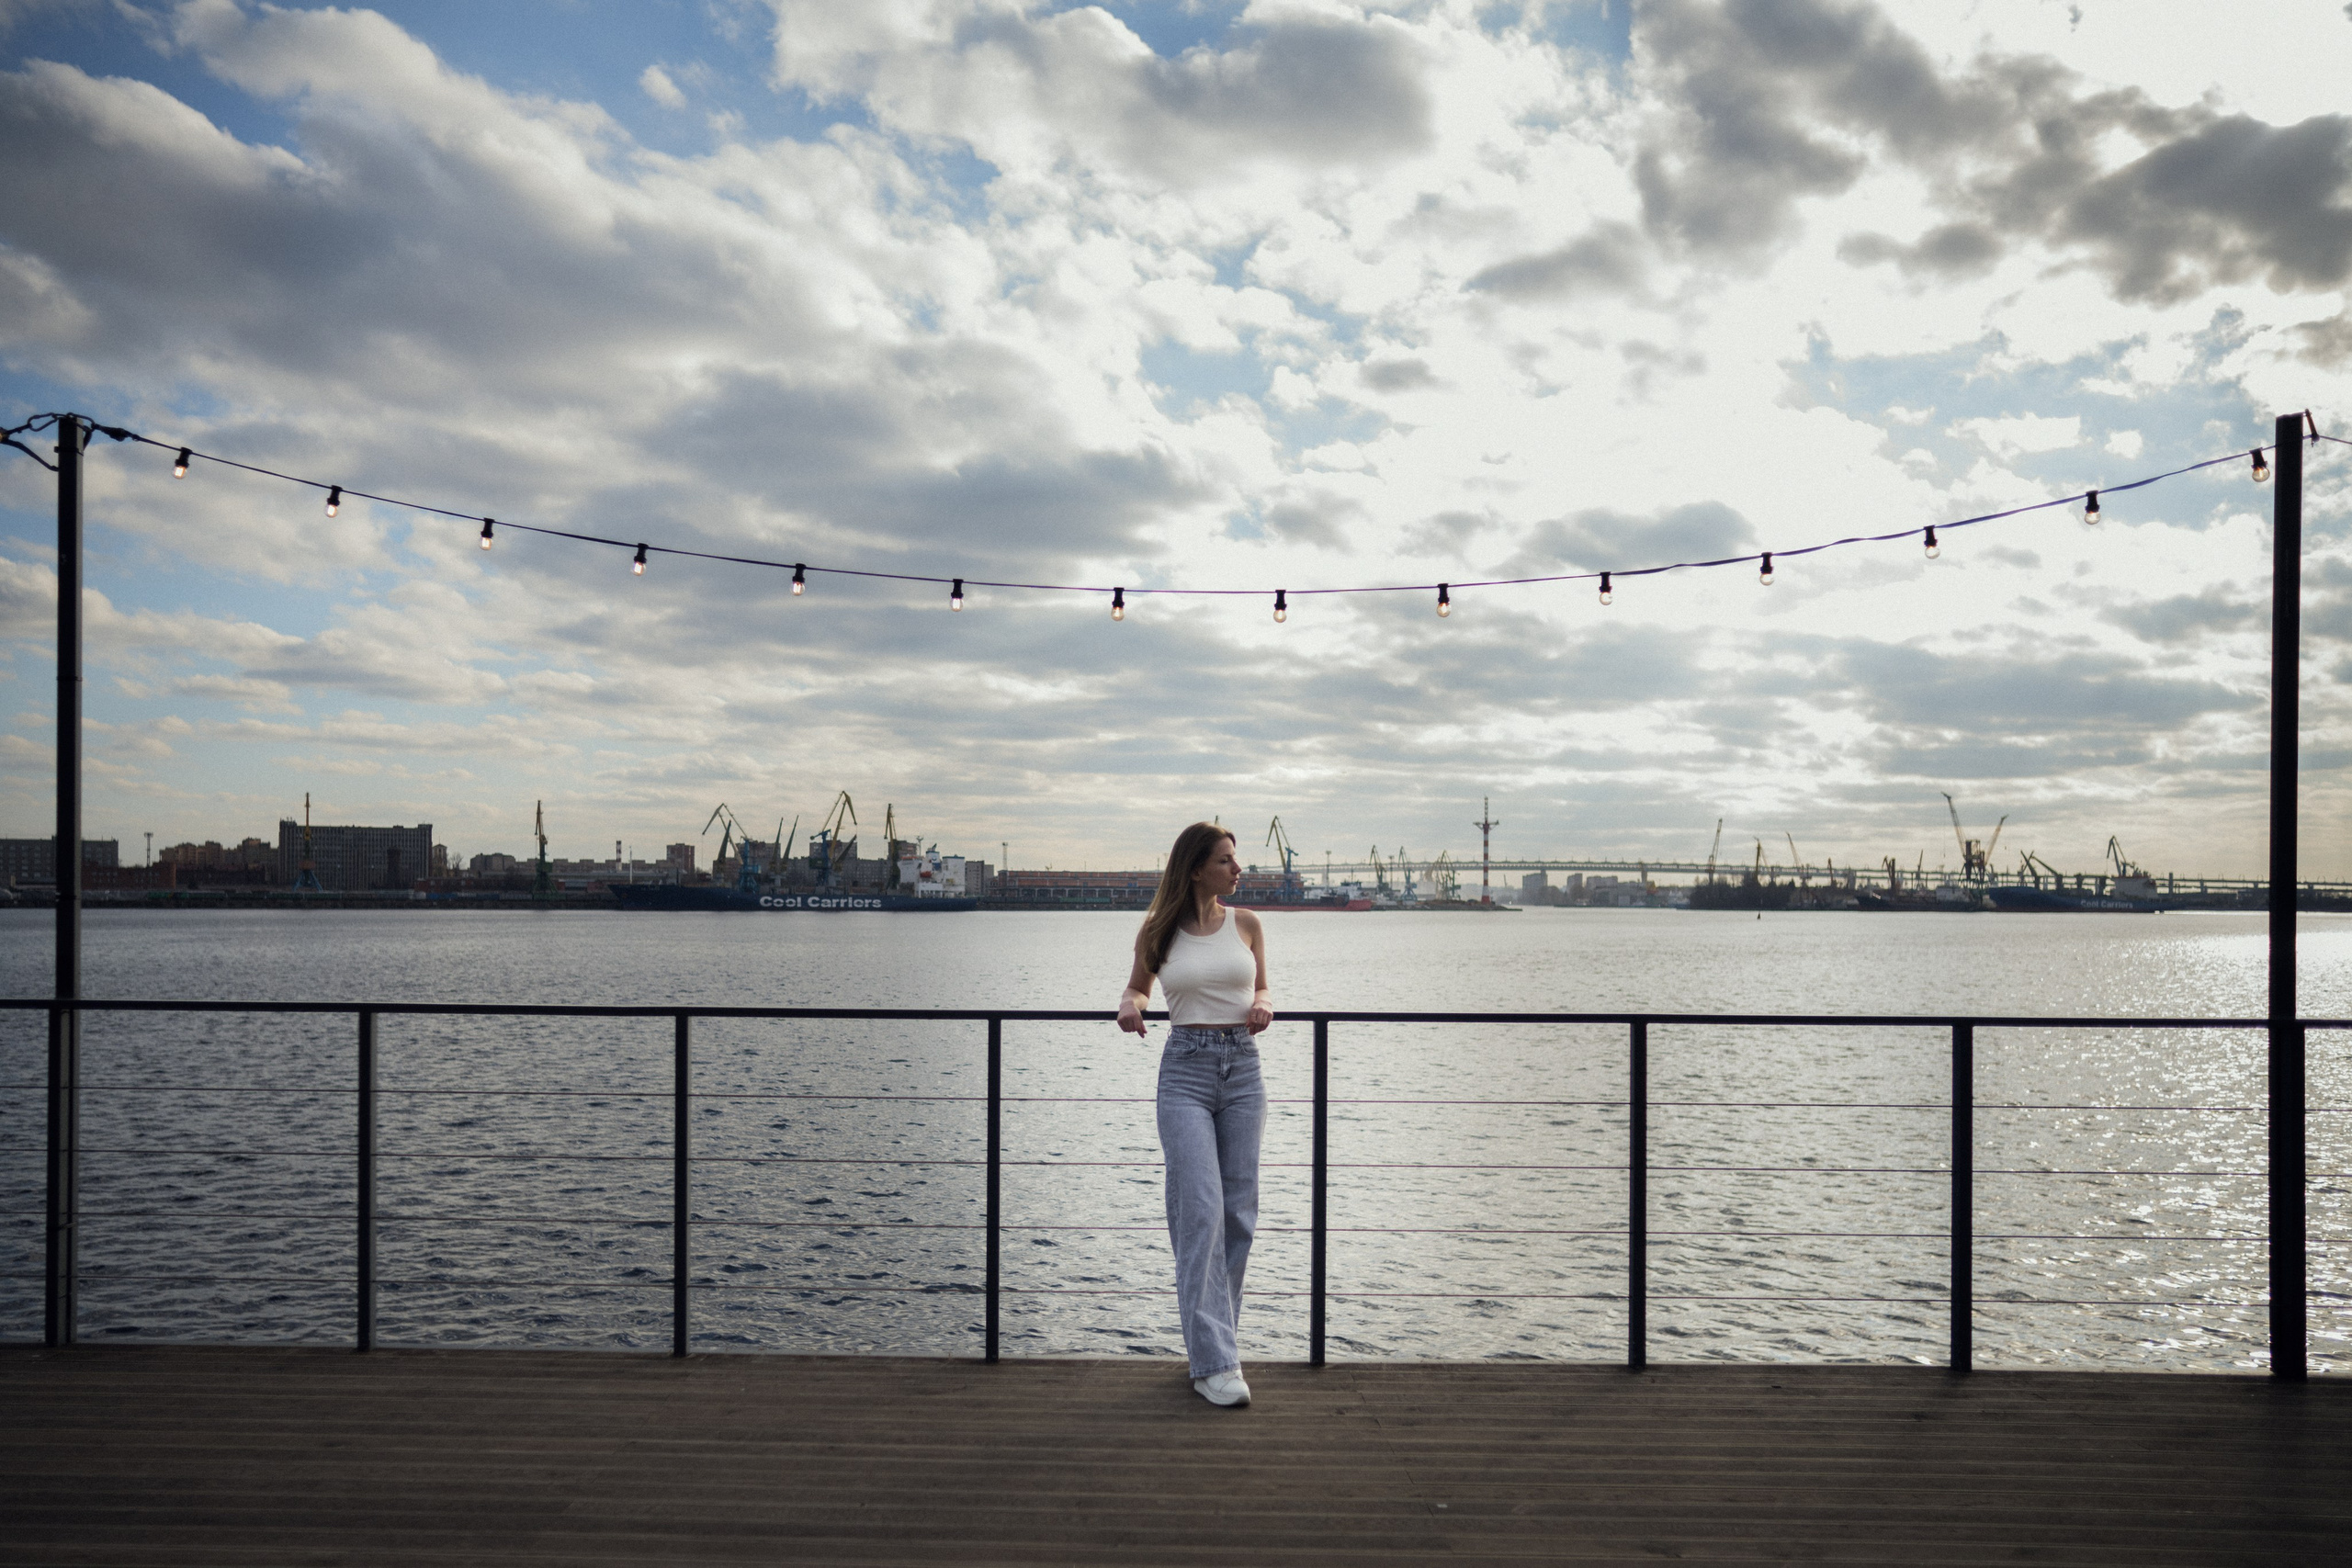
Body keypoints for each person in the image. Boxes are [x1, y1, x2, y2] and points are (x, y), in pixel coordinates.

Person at [1117, 821, 1272, 1408]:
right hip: (1184, 1071)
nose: (1238, 870)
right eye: (1228, 861)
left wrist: (1262, 1005)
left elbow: (1263, 991)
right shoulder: (1158, 930)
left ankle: (1215, 1355)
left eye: (1237, 860)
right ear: (1196, 868)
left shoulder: (1248, 924)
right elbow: (1137, 991)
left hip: (1244, 1071)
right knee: (1199, 1210)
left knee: (1238, 1215)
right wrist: (1128, 1007)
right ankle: (1215, 1361)